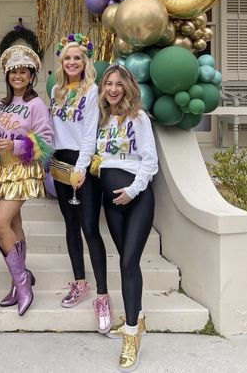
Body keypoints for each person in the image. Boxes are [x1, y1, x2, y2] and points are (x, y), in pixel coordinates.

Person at [96, 64, 158, 372]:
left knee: (128, 262)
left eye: (118, 83)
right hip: (112, 203)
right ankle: (139, 317)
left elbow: (150, 160)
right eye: (108, 83)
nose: (113, 88)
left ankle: (132, 334)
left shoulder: (139, 118)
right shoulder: (103, 120)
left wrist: (133, 191)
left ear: (127, 87)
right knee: (125, 260)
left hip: (137, 200)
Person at [49, 34, 112, 334]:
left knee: (89, 227)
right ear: (61, 63)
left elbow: (89, 132)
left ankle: (102, 295)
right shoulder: (57, 92)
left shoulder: (93, 91)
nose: (72, 62)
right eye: (67, 58)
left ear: (85, 62)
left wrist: (82, 167)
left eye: (77, 58)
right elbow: (53, 130)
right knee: (70, 227)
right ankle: (80, 283)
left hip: (82, 164)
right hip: (60, 163)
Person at [0, 45, 53, 316]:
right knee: (14, 224)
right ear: (7, 75)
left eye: (23, 72)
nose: (18, 76)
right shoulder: (1, 105)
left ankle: (23, 282)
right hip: (2, 172)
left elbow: (47, 141)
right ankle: (17, 286)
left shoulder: (35, 104)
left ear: (31, 76)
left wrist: (15, 146)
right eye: (13, 72)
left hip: (23, 170)